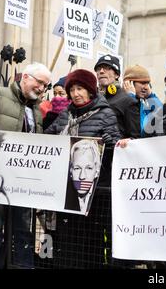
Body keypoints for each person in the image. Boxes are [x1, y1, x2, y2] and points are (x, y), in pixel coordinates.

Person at [0, 62, 52, 269]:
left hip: (24, 181)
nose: (42, 88)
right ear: (25, 77)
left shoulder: (36, 111)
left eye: (46, 85)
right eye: (40, 82)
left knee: (23, 230)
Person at [45, 68, 121, 268]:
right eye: (72, 90)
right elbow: (47, 138)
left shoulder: (106, 114)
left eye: (80, 89)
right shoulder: (65, 115)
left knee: (91, 241)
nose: (75, 94)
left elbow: (116, 146)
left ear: (90, 91)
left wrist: (111, 142)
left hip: (95, 193)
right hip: (67, 189)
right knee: (68, 239)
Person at [94, 55, 140, 139]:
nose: (101, 71)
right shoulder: (93, 100)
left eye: (107, 68)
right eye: (98, 68)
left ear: (117, 75)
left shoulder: (128, 101)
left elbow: (135, 137)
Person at [122, 65, 163, 137]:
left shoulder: (143, 106)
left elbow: (161, 115)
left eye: (147, 83)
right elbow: (136, 129)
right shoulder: (121, 104)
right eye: (143, 83)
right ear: (129, 83)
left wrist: (150, 96)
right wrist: (131, 98)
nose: (146, 87)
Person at [65, 139, 102, 214]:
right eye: (77, 168)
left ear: (97, 171)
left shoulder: (102, 198)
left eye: (89, 168)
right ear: (71, 170)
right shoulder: (64, 198)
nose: (82, 176)